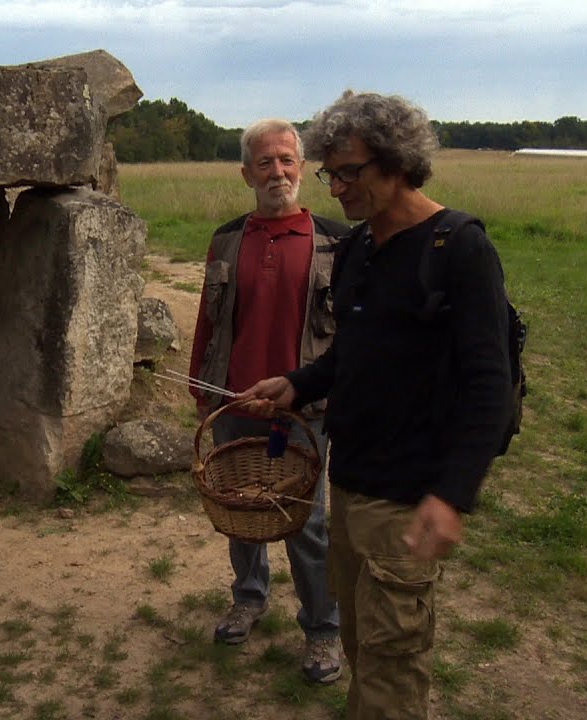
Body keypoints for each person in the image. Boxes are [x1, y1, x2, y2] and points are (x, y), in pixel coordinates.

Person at [241, 92, 513, 719]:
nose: (335, 188)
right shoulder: (361, 249)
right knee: (364, 651)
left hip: (407, 501)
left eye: (350, 172)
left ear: (397, 162)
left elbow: (489, 387)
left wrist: (452, 496)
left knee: (392, 670)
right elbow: (350, 356)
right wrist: (297, 384)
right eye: (329, 173)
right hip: (351, 489)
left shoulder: (459, 248)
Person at [189, 118, 349, 684]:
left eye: (286, 160)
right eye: (264, 162)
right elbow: (209, 322)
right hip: (234, 405)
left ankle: (323, 631)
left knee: (307, 524)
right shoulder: (227, 239)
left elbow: (351, 336)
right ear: (245, 173)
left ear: (301, 167)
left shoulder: (337, 241)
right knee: (239, 511)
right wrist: (199, 387)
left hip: (304, 413)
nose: (277, 171)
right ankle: (248, 597)